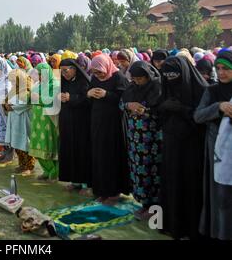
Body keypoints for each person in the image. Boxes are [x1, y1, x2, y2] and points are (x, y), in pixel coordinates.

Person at [158, 56, 208, 239]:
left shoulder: (201, 89)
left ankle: (190, 226)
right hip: (171, 144)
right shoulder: (167, 87)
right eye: (167, 74)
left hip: (191, 146)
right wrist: (164, 107)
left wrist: (183, 110)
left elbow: (203, 119)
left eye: (174, 74)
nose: (171, 78)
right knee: (172, 182)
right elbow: (158, 112)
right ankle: (173, 224)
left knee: (189, 185)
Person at [195, 50, 232, 240]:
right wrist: (219, 107)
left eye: (226, 68)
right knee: (220, 197)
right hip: (217, 152)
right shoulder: (212, 91)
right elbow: (198, 116)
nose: (222, 72)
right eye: (218, 68)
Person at [120, 61, 163, 220]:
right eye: (135, 78)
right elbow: (122, 103)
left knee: (151, 171)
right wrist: (128, 105)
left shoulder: (157, 87)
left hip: (151, 139)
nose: (137, 82)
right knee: (138, 170)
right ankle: (144, 204)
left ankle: (154, 206)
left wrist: (145, 111)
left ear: (148, 76)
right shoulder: (132, 88)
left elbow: (161, 109)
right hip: (135, 139)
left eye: (140, 79)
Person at [88, 54, 130, 205]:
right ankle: (102, 190)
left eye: (100, 72)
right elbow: (89, 92)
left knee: (111, 156)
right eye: (95, 72)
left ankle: (114, 191)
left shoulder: (118, 78)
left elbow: (125, 99)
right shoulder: (94, 79)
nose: (98, 75)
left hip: (114, 125)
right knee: (99, 156)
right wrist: (89, 93)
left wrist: (107, 94)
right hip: (97, 122)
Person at [58, 58, 92, 195]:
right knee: (69, 150)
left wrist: (71, 98)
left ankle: (86, 182)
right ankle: (75, 181)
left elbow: (88, 100)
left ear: (74, 69)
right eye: (62, 71)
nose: (64, 74)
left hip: (81, 123)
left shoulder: (84, 82)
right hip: (67, 122)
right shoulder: (63, 82)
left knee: (81, 151)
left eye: (66, 71)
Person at [29, 63, 60, 181]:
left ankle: (54, 172)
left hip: (49, 120)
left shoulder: (55, 85)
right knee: (38, 145)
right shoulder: (38, 84)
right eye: (39, 74)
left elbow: (53, 101)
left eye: (43, 74)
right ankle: (46, 170)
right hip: (37, 120)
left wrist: (39, 98)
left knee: (49, 145)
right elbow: (32, 97)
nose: (41, 77)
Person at [4, 69, 35, 175]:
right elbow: (6, 100)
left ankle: (29, 166)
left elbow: (27, 104)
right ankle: (22, 164)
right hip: (14, 120)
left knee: (25, 143)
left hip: (23, 120)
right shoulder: (14, 89)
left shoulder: (27, 90)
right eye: (11, 81)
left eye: (14, 81)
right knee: (16, 143)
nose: (12, 83)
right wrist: (6, 105)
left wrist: (13, 107)